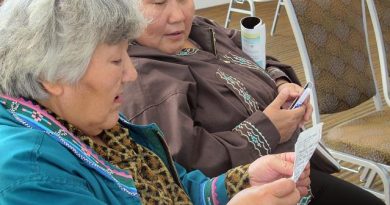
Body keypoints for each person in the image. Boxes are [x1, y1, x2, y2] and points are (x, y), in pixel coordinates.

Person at [0, 0, 311, 204]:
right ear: (53, 77)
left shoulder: (83, 120)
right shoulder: (29, 177)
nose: (131, 72)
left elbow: (175, 188)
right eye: (115, 61)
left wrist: (240, 180)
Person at [120, 0, 386, 204]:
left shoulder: (201, 29)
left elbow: (256, 56)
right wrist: (268, 129)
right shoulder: (144, 81)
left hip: (294, 171)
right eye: (157, 2)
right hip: (258, 191)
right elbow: (185, 168)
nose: (178, 15)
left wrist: (282, 84)